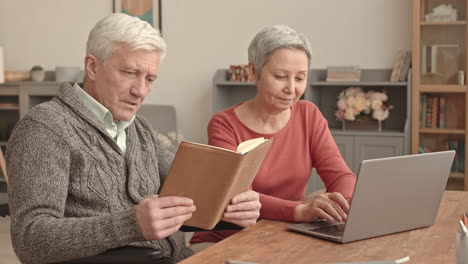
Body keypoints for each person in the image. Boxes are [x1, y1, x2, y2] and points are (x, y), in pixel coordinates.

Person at [6, 13, 260, 264]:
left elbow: (188, 195)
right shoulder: (45, 128)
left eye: (149, 79)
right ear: (93, 67)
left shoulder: (140, 129)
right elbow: (30, 239)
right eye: (129, 73)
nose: (140, 91)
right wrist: (130, 224)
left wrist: (231, 209)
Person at [191, 25, 356, 244]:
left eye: (300, 78)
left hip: (286, 232)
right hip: (228, 238)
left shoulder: (308, 115)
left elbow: (340, 175)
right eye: (280, 76)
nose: (292, 88)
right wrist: (300, 211)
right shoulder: (224, 124)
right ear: (253, 72)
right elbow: (239, 197)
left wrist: (342, 202)